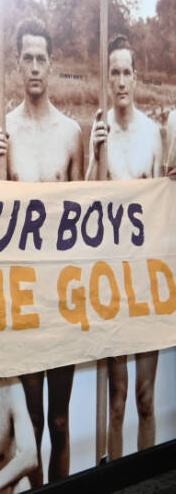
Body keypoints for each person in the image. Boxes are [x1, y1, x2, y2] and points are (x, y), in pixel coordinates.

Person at [0, 17, 81, 485]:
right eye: (28, 58)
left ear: (52, 64)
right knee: (31, 424)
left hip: (61, 295)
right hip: (21, 296)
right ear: (17, 63)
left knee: (60, 422)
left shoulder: (71, 133)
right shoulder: (4, 132)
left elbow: (91, 215)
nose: (36, 67)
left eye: (43, 58)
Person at [86, 35, 164, 460]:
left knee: (145, 397)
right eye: (112, 72)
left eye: (125, 72)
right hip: (110, 281)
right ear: (107, 77)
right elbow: (82, 200)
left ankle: (149, 479)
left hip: (146, 280)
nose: (119, 81)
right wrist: (92, 152)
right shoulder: (99, 132)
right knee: (116, 403)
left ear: (136, 77)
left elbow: (162, 204)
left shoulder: (154, 134)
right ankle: (115, 478)